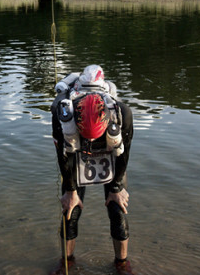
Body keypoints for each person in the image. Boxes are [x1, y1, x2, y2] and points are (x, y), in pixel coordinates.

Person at [50, 65, 135, 275]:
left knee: (118, 209)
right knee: (71, 209)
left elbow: (124, 153)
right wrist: (70, 191)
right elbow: (63, 155)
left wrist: (116, 187)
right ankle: (66, 264)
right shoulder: (60, 113)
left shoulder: (122, 113)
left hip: (110, 152)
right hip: (75, 152)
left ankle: (122, 265)